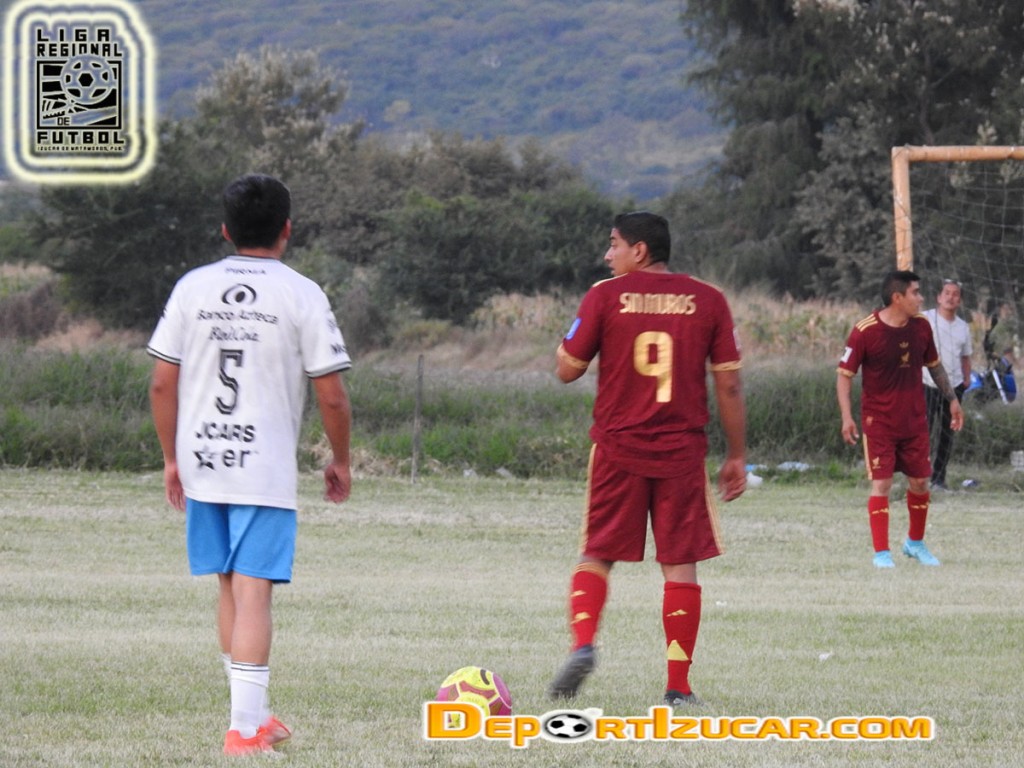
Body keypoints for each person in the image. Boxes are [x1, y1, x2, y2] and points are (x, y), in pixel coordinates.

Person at [148, 174, 353, 756]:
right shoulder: (302, 293)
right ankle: (242, 732)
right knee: (255, 591)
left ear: (225, 229)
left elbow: (162, 383)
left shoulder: (193, 287)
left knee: (230, 588)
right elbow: (332, 396)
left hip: (203, 459)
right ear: (287, 229)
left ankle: (256, 716)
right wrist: (340, 459)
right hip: (263, 468)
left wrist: (171, 458)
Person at [548, 211, 746, 707]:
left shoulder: (604, 296)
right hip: (682, 453)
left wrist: (570, 343)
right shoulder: (709, 299)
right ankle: (678, 687)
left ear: (639, 250)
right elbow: (729, 385)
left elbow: (567, 370)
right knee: (680, 566)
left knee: (597, 553)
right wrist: (737, 454)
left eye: (614, 244)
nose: (607, 255)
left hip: (618, 449)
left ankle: (583, 643)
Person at [837, 270, 963, 569]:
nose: (921, 298)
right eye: (915, 293)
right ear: (897, 297)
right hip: (879, 422)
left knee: (920, 482)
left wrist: (953, 400)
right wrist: (847, 417)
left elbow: (934, 365)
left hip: (914, 421)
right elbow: (844, 375)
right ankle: (881, 553)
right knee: (882, 484)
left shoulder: (921, 327)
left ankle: (914, 543)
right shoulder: (865, 331)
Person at [922, 279, 972, 491]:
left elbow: (966, 356)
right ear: (939, 297)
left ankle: (939, 480)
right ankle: (919, 477)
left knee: (947, 433)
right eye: (947, 293)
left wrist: (966, 379)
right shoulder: (925, 318)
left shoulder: (963, 327)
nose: (951, 297)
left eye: (955, 294)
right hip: (927, 383)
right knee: (923, 431)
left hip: (953, 387)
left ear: (959, 300)